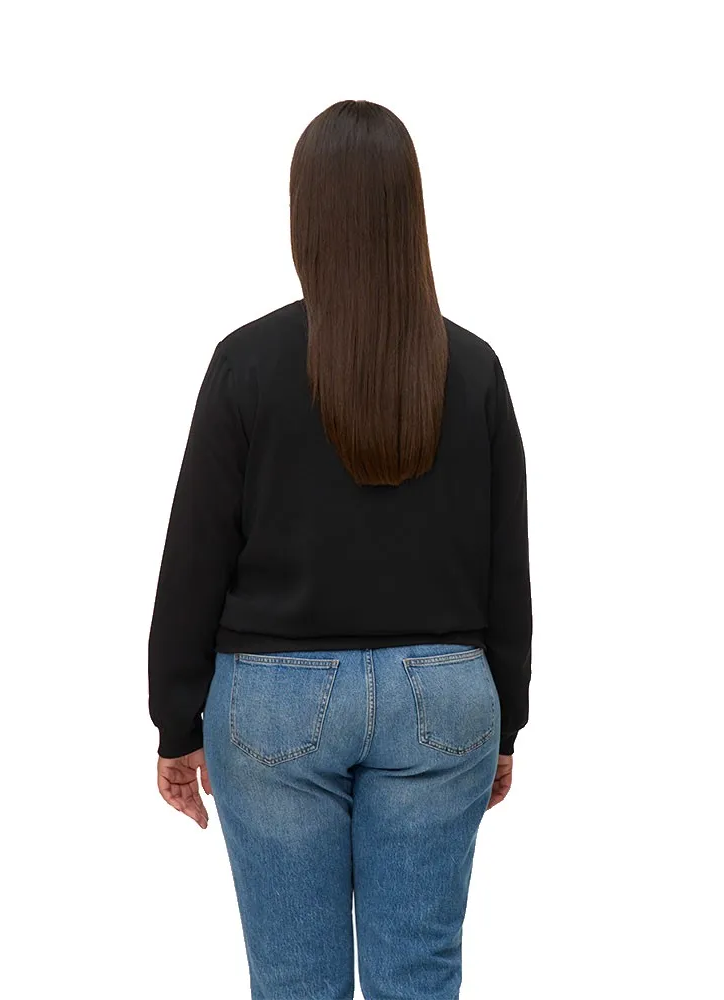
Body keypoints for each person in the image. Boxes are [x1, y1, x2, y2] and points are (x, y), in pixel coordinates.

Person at [147, 99, 532, 1000]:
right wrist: (507, 718)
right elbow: (506, 563)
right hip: (444, 695)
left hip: (272, 703)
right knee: (419, 977)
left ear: (305, 214)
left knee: (294, 983)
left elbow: (195, 552)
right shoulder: (474, 368)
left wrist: (175, 722)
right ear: (409, 213)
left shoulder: (245, 364)